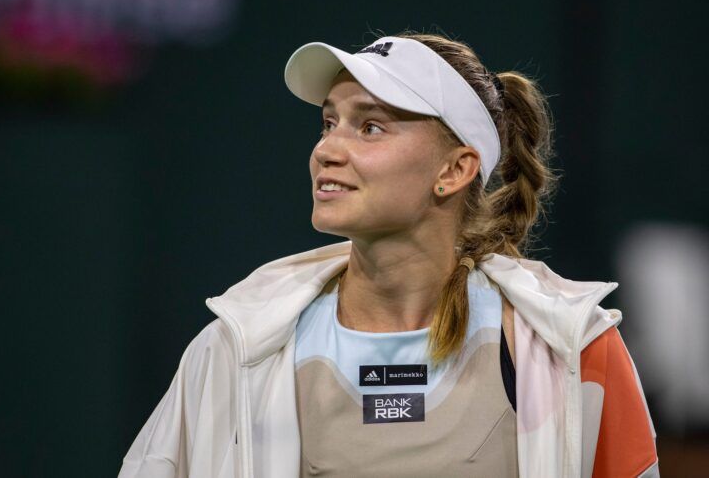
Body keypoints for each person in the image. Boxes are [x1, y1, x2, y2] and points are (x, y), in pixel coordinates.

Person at [117, 31, 659, 478]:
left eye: (370, 126)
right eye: (329, 122)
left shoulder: (575, 349)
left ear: (454, 171)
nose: (326, 150)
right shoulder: (232, 350)